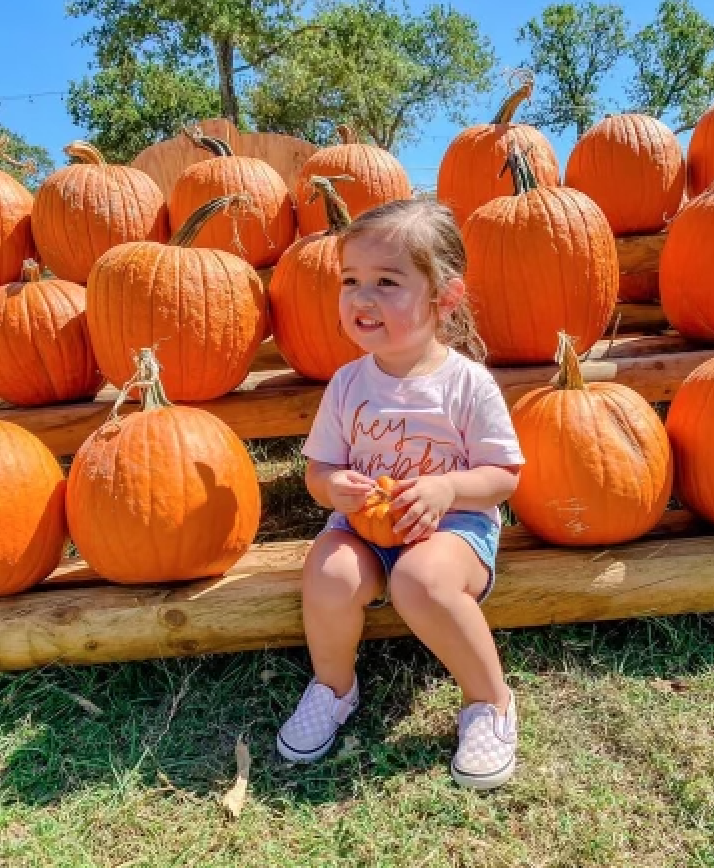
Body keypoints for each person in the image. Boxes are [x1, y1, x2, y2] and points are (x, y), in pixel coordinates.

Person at [276, 198, 525, 790]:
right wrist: (333, 487)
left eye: (386, 282)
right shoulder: (347, 383)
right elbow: (320, 471)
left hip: (453, 529)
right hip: (363, 526)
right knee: (328, 572)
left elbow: (504, 474)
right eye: (351, 281)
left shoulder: (466, 383)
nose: (362, 298)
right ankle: (333, 688)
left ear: (445, 297)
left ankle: (489, 701)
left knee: (420, 580)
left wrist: (446, 488)